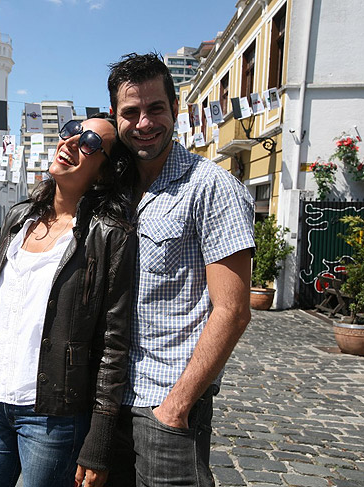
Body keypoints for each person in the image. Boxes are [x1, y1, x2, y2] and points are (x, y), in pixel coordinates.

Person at [0, 115, 136, 487]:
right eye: (69, 131)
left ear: (103, 172)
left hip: (53, 416)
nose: (69, 142)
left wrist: (99, 436)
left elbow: (114, 343)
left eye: (89, 142)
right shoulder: (20, 217)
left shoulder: (109, 235)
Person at [105, 53, 255, 486]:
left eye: (156, 108)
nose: (144, 122)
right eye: (130, 112)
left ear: (176, 109)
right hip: (107, 394)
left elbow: (233, 310)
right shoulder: (117, 188)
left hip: (165, 400)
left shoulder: (211, 187)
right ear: (116, 118)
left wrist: (178, 404)